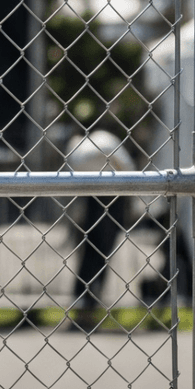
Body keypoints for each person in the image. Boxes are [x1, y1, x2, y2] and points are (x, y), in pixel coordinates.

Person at [66, 126, 134, 326]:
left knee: (92, 256)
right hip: (109, 197)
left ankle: (86, 305)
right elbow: (125, 165)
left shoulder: (91, 144)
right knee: (98, 256)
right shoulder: (103, 141)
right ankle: (88, 305)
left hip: (97, 197)